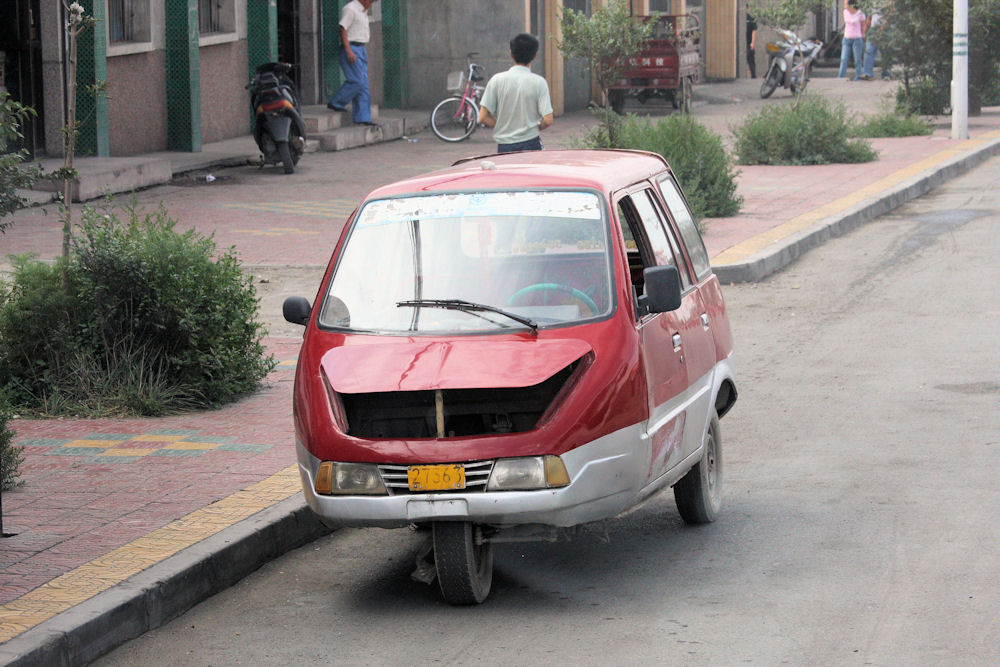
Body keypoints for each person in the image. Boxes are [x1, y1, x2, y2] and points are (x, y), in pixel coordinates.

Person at [478, 33, 554, 154]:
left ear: (511, 54)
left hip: (504, 146)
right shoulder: (539, 82)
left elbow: (483, 117)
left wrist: (503, 127)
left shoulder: (496, 80)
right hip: (531, 142)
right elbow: (548, 120)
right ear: (534, 56)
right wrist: (535, 126)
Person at [326, 0, 376, 125]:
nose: (371, 4)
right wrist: (348, 50)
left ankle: (363, 117)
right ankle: (337, 101)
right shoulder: (351, 9)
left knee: (363, 84)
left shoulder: (363, 11)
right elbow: (343, 29)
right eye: (371, 1)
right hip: (351, 47)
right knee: (357, 80)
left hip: (361, 48)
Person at [838, 0, 866, 80]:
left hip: (857, 38)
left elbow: (863, 25)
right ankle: (841, 76)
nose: (846, 6)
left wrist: (863, 34)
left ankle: (858, 76)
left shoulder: (860, 13)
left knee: (857, 60)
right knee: (844, 59)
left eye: (847, 5)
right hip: (847, 38)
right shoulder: (845, 12)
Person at [861, 9, 890, 80]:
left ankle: (886, 74)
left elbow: (890, 15)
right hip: (873, 30)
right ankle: (868, 74)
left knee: (885, 52)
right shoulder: (873, 3)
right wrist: (865, 32)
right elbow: (870, 17)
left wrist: (883, 28)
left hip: (884, 30)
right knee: (869, 51)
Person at [746, 13, 758, 79]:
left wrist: (753, 43)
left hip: (749, 43)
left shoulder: (751, 18)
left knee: (751, 59)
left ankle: (753, 76)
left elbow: (754, 30)